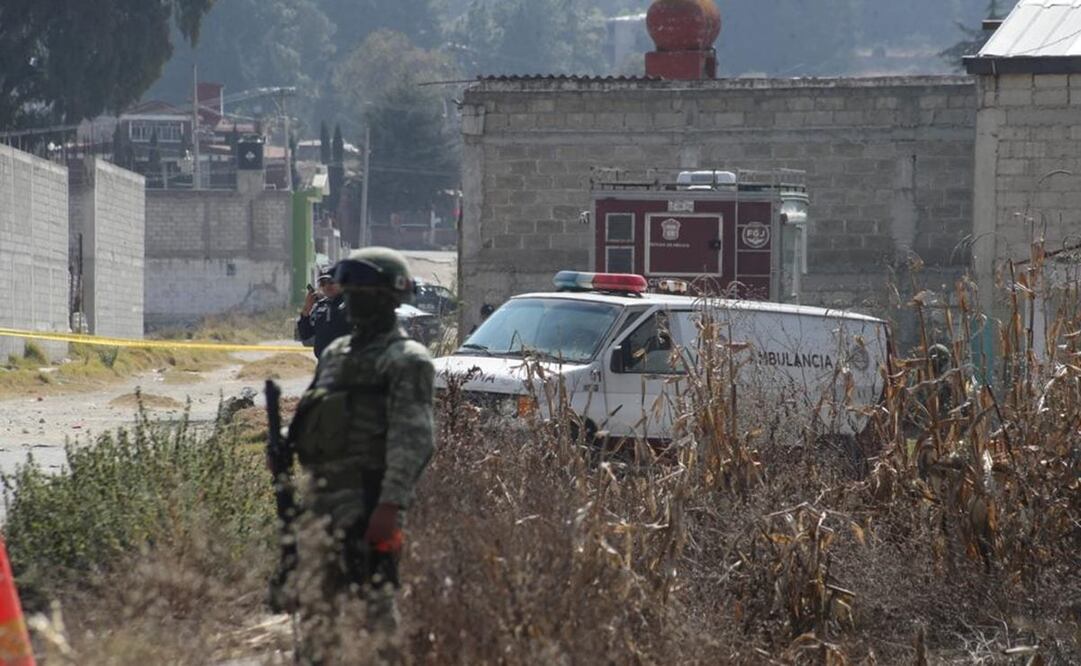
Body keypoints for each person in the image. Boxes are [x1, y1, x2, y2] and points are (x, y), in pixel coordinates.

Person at [287, 247, 435, 665]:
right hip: (322, 502)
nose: (350, 300)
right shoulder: (335, 355)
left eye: (362, 292)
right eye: (348, 292)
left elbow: (415, 438)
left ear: (389, 297)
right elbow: (316, 414)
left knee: (376, 612)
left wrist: (390, 506)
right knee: (315, 612)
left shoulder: (407, 361)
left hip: (373, 502)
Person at [296, 266, 350, 359]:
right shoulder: (319, 306)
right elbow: (305, 335)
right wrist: (306, 310)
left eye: (331, 282)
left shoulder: (351, 305)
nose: (327, 286)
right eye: (323, 283)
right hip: (324, 364)